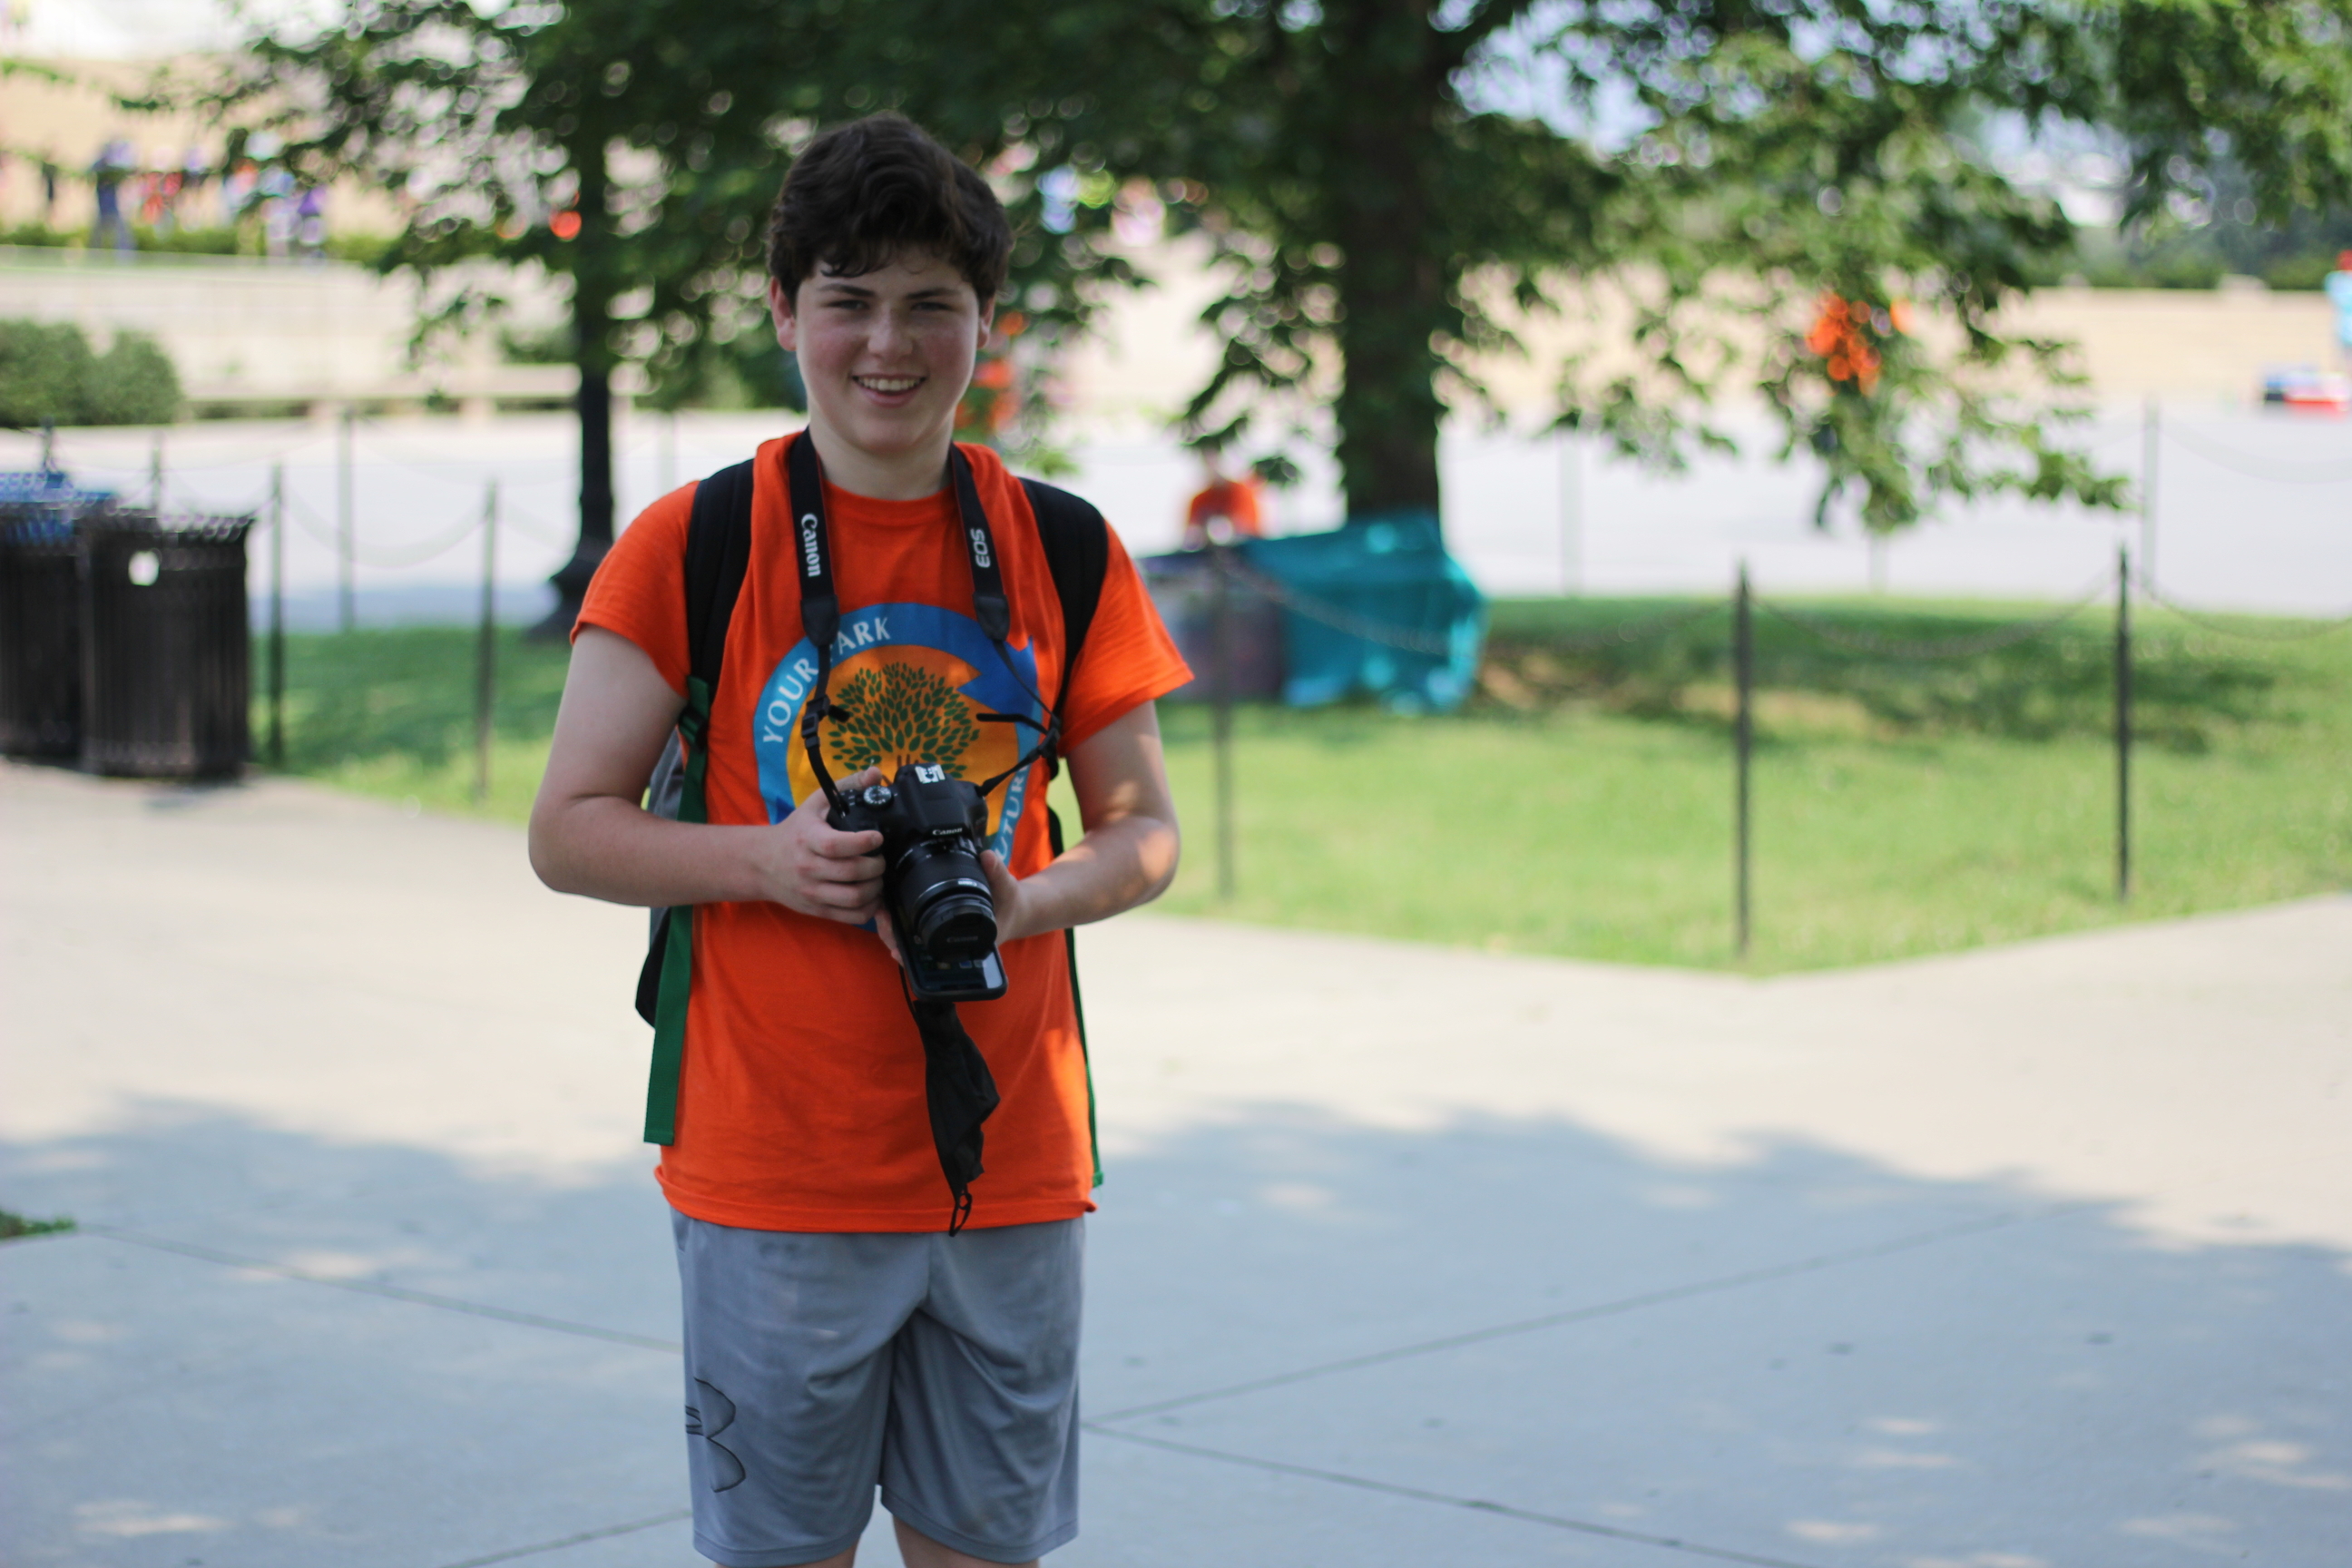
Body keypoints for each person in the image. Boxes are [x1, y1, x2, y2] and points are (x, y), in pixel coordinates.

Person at [528, 113, 1189, 1568]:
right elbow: (567, 832)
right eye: (849, 300)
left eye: (930, 305)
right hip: (777, 1164)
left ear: (984, 323)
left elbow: (1145, 834)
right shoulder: (694, 543)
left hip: (1009, 1162)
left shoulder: (1062, 546)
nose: (888, 346)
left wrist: (1024, 901)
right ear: (784, 310)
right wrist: (762, 860)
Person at [1180, 446, 1263, 549]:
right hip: (1209, 555)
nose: (1212, 467)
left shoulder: (1241, 492)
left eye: (1215, 461)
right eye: (1207, 462)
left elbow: (1247, 529)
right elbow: (1190, 535)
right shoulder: (1199, 499)